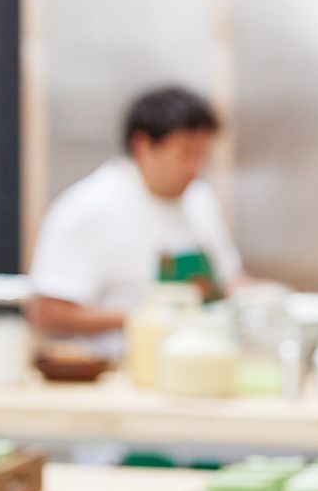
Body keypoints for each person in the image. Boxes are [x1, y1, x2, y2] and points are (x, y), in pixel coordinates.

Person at [27, 85, 249, 349]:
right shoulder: (89, 208)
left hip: (204, 360)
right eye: (186, 153)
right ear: (143, 146)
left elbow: (229, 280)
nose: (195, 168)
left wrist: (265, 299)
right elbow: (48, 313)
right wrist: (144, 318)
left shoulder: (200, 199)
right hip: (116, 375)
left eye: (203, 154)